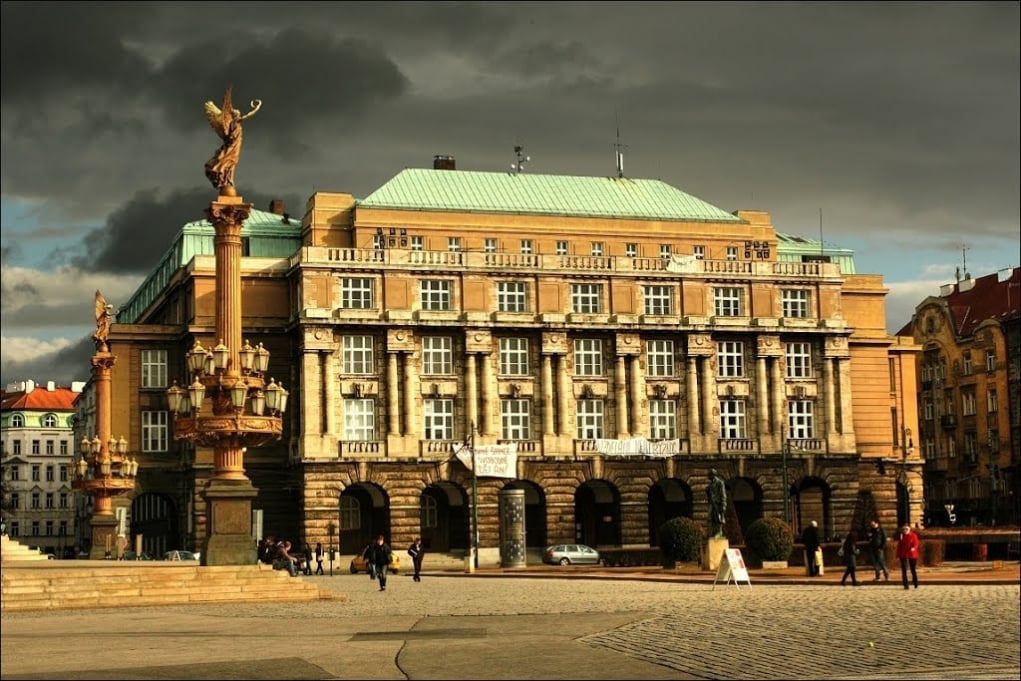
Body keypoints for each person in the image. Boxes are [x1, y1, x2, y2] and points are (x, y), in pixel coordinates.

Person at [203, 87, 262, 196]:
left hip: (235, 145)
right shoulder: (235, 123)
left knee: (231, 163)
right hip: (233, 146)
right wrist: (257, 107)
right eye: (238, 114)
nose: (239, 115)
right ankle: (228, 180)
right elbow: (247, 116)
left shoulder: (235, 123)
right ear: (235, 116)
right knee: (229, 162)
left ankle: (229, 180)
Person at [897, 523, 920, 589]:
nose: (905, 530)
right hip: (903, 554)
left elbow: (916, 543)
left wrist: (913, 548)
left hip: (912, 554)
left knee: (913, 569)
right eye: (904, 529)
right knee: (904, 569)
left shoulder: (913, 535)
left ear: (909, 529)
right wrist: (898, 555)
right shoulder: (901, 536)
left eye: (906, 529)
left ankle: (915, 583)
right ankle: (905, 584)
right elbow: (899, 545)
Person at [705, 469, 726, 539]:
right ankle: (710, 533)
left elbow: (723, 495)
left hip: (717, 503)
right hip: (711, 503)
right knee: (710, 518)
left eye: (709, 475)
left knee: (719, 519)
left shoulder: (720, 483)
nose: (708, 477)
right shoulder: (710, 484)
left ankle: (719, 532)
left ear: (712, 475)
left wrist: (723, 505)